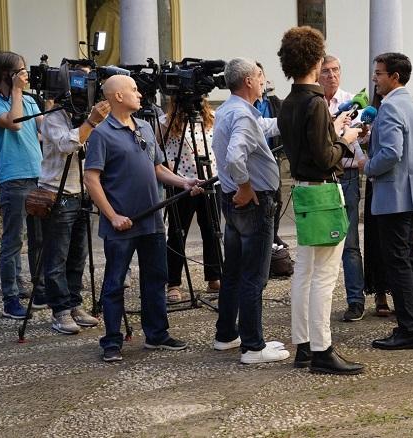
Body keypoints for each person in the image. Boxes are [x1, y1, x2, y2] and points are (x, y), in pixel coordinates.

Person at [84, 75, 202, 362]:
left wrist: (184, 181)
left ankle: (157, 334)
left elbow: (158, 167)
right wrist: (112, 216)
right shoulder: (101, 133)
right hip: (122, 224)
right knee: (114, 283)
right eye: (133, 90)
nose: (140, 94)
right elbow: (91, 179)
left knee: (156, 277)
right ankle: (111, 341)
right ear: (118, 97)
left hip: (151, 221)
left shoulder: (146, 128)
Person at [278, 26, 364, 375]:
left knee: (305, 271)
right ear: (315, 59)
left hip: (302, 188)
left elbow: (307, 144)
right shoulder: (314, 102)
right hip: (324, 191)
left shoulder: (288, 102)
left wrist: (334, 126)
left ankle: (303, 345)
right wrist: (347, 137)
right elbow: (327, 156)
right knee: (324, 276)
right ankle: (322, 349)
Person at [210, 58, 289, 365]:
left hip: (232, 201)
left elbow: (264, 127)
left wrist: (294, 117)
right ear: (248, 82)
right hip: (251, 203)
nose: (262, 80)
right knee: (254, 276)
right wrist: (245, 185)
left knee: (233, 271)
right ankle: (254, 346)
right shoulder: (242, 114)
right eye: (259, 76)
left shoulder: (230, 110)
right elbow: (234, 157)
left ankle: (227, 334)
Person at [358, 52, 413, 351]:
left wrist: (368, 165)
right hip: (412, 191)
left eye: (378, 73)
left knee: (398, 262)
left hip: (394, 194)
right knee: (411, 258)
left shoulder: (390, 107)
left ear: (395, 77)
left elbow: (391, 153)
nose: (375, 79)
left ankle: (408, 330)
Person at [38, 67, 110, 334]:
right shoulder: (54, 117)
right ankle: (60, 311)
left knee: (78, 255)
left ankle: (74, 303)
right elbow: (69, 145)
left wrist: (92, 122)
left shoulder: (84, 117)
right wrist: (90, 123)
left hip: (81, 193)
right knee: (57, 256)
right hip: (58, 193)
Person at [0, 51, 45, 319]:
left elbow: (46, 130)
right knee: (14, 241)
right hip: (14, 178)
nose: (26, 76)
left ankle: (39, 290)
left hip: (38, 175)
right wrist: (17, 92)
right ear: (8, 74)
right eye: (21, 71)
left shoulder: (30, 101)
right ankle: (11, 298)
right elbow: (14, 124)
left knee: (39, 239)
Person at [318, 54, 366, 322]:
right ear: (317, 74)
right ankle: (321, 301)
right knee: (321, 241)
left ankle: (355, 300)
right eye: (326, 71)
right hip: (320, 175)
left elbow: (359, 139)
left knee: (349, 243)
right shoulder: (314, 103)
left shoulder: (352, 102)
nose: (331, 75)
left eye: (336, 70)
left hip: (346, 174)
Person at [161, 97, 222, 303]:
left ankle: (214, 275)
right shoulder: (166, 121)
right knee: (178, 233)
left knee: (212, 230)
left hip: (211, 179)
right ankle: (174, 282)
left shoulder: (212, 117)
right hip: (181, 182)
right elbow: (156, 149)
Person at [362, 88, 391, 316]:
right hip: (374, 179)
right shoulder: (369, 112)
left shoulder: (402, 107)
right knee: (375, 239)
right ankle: (380, 291)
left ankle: (399, 292)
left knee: (397, 244)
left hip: (391, 179)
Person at [254, 62, 288, 248]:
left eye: (262, 74)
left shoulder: (274, 102)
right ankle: (262, 237)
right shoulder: (246, 104)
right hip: (254, 160)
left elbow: (279, 125)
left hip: (272, 156)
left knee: (277, 198)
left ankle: (273, 234)